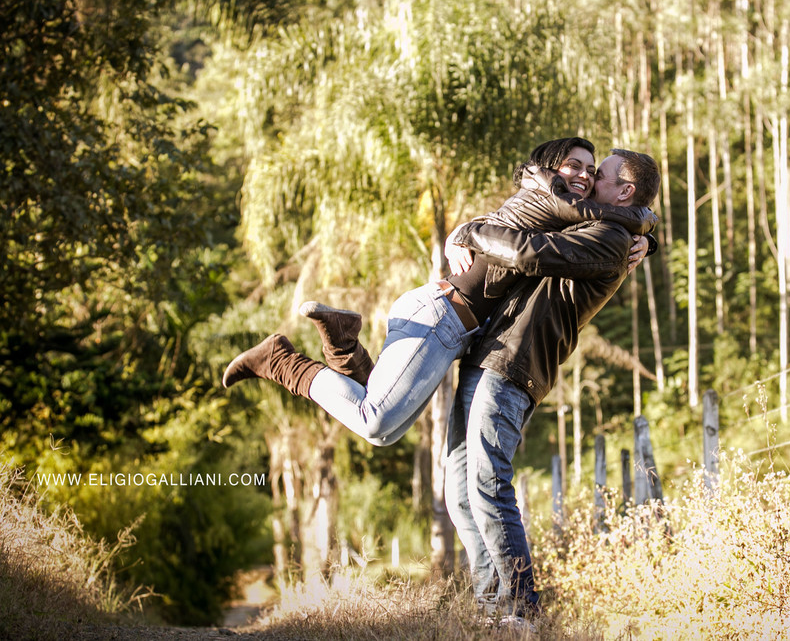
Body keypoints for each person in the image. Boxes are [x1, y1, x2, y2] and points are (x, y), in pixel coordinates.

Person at [221, 138, 656, 449]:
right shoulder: (548, 194)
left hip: (451, 322)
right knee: (374, 423)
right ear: (550, 167)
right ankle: (278, 360)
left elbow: (593, 233)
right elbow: (597, 218)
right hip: (443, 314)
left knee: (386, 431)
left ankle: (343, 342)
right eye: (576, 166)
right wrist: (643, 224)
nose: (584, 175)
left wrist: (642, 236)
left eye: (591, 170)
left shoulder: (563, 207)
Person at [442, 148, 661, 624]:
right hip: (488, 355)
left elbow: (527, 251)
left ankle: (522, 611)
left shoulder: (610, 238)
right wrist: (652, 231)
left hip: (515, 362)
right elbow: (540, 200)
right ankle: (488, 610)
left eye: (598, 175)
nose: (587, 182)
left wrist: (468, 231)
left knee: (488, 485)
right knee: (460, 493)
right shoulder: (605, 227)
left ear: (622, 191)